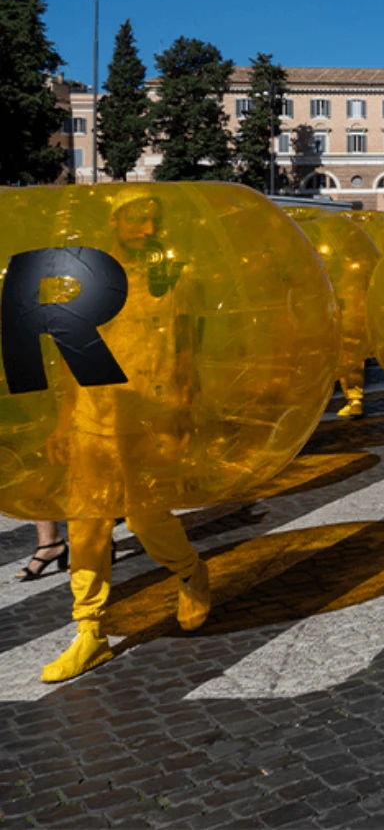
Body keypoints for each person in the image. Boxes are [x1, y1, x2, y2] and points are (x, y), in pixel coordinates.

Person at [44, 192, 212, 683]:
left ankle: (190, 573)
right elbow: (72, 353)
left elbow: (187, 350)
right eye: (137, 218)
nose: (147, 227)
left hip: (153, 415)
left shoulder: (175, 276)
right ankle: (89, 629)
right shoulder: (86, 281)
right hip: (94, 416)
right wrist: (62, 421)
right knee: (86, 523)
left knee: (146, 517)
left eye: (154, 220)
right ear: (115, 221)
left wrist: (187, 408)